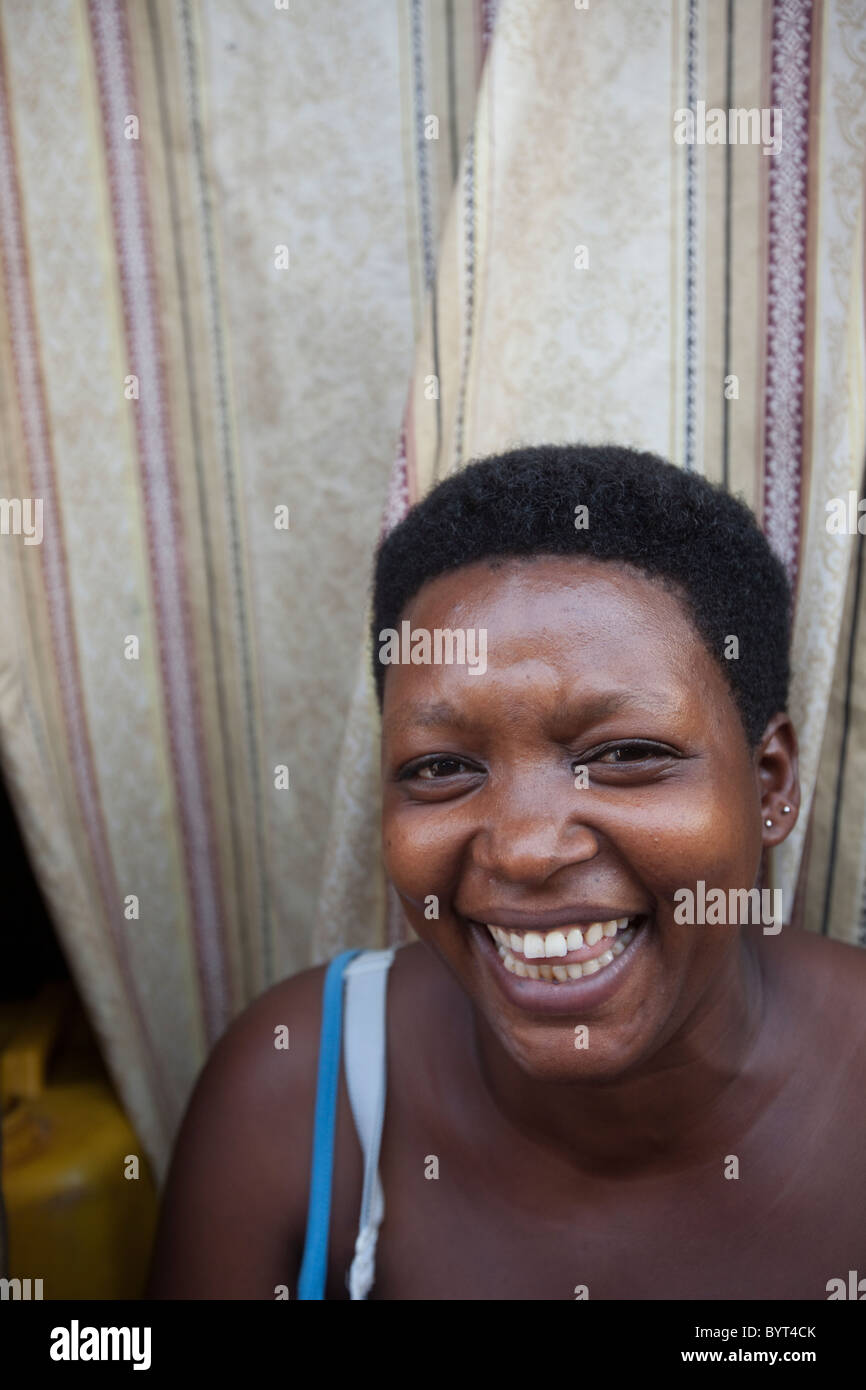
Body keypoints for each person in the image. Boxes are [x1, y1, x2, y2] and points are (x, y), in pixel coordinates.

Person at [146, 443, 866, 1300]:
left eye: (627, 753)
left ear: (771, 783)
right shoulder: (297, 1095)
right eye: (441, 768)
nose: (522, 851)